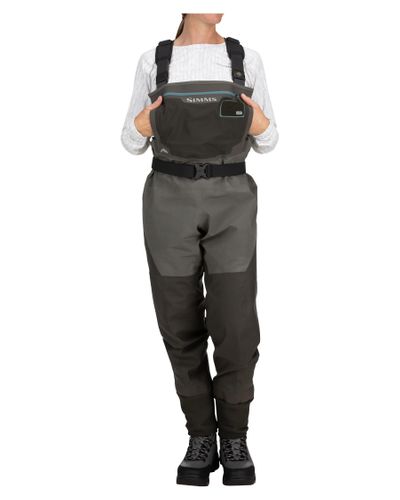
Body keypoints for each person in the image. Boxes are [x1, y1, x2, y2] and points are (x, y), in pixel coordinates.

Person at [121, 13, 278, 486]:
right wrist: (143, 122)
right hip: (168, 198)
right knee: (179, 322)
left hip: (232, 199)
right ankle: (201, 437)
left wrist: (260, 121)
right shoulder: (154, 61)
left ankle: (235, 437)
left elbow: (269, 140)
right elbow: (130, 141)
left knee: (236, 325)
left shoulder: (245, 59)